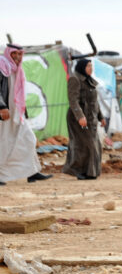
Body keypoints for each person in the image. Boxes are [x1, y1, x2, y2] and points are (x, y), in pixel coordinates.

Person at [0, 44, 51, 185]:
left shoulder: (18, 70)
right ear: (8, 53)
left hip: (16, 113)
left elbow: (19, 94)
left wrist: (23, 111)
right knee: (3, 144)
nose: (17, 57)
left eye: (20, 54)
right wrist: (2, 107)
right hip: (4, 113)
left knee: (28, 139)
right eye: (14, 54)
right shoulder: (2, 65)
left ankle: (32, 172)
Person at [62, 58, 105, 180]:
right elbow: (73, 100)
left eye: (91, 66)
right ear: (82, 67)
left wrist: (101, 117)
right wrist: (80, 116)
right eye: (88, 66)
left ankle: (90, 172)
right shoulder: (75, 79)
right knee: (82, 145)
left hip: (91, 118)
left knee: (94, 144)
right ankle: (78, 171)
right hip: (78, 119)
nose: (91, 68)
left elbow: (95, 101)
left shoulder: (90, 81)